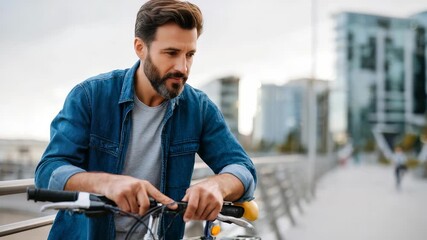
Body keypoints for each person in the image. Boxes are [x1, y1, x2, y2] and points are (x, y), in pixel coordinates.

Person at [34, 1, 257, 239]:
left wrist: (217, 186)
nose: (182, 67)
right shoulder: (90, 96)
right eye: (171, 53)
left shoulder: (199, 108)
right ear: (140, 48)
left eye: (189, 55)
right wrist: (106, 183)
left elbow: (244, 170)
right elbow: (48, 172)